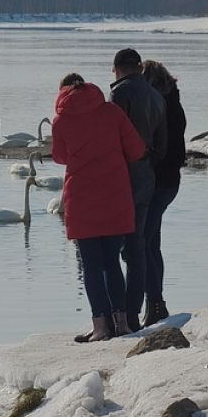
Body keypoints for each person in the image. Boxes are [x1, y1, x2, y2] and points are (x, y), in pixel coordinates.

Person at [53, 72, 147, 343]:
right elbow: (136, 150)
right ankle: (122, 323)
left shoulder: (62, 120)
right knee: (112, 263)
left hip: (81, 199)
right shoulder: (112, 112)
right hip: (115, 195)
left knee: (91, 266)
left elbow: (60, 156)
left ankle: (100, 326)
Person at [108, 48, 167, 329]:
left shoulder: (119, 95)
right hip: (146, 177)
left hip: (122, 179)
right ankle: (133, 312)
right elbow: (162, 143)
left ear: (116, 68)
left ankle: (116, 314)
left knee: (110, 249)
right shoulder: (156, 96)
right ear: (139, 67)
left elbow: (112, 139)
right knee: (138, 248)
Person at [139, 59, 185, 324]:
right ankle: (155, 302)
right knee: (151, 243)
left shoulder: (156, 107)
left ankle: (155, 302)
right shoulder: (175, 104)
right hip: (170, 183)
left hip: (157, 182)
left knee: (143, 244)